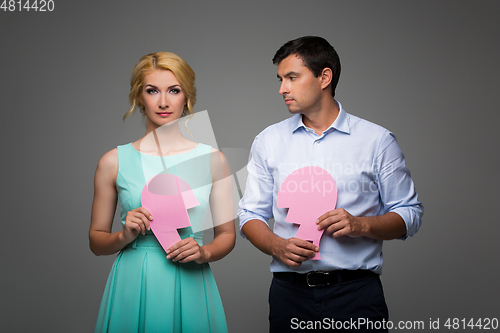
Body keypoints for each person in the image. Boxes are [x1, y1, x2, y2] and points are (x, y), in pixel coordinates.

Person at [238, 36, 423, 332]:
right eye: (280, 79)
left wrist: (362, 225)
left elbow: (409, 214)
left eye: (292, 77)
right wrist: (276, 245)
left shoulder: (377, 141)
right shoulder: (267, 141)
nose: (282, 89)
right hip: (289, 296)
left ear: (325, 77)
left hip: (356, 295)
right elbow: (249, 214)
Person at [89, 52, 235, 333]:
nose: (164, 101)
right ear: (139, 97)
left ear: (187, 96)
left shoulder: (213, 160)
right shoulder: (112, 161)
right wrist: (124, 235)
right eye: (152, 90)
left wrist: (203, 252)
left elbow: (227, 236)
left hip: (191, 279)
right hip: (134, 281)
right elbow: (96, 242)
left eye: (174, 90)